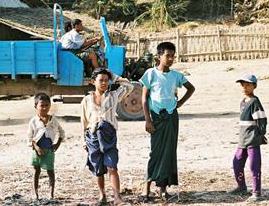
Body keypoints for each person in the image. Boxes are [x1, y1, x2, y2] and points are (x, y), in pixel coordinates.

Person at [139, 42, 195, 201]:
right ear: (159, 57)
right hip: (155, 117)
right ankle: (146, 187)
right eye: (167, 55)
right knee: (155, 153)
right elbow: (144, 99)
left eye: (172, 56)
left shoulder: (176, 75)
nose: (170, 59)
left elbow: (191, 88)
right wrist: (147, 119)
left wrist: (180, 103)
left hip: (171, 117)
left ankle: (162, 189)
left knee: (168, 153)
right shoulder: (150, 74)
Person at [80, 68, 134, 205]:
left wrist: (113, 76)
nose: (104, 83)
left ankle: (117, 197)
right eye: (101, 80)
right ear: (93, 82)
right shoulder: (86, 100)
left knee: (112, 166)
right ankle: (102, 196)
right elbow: (84, 121)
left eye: (106, 80)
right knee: (98, 169)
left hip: (109, 135)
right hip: (92, 136)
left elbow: (130, 86)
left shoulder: (114, 95)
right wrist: (83, 141)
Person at [228, 74, 267, 203]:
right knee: (237, 162)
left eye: (248, 84)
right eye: (243, 84)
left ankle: (257, 193)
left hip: (252, 139)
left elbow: (262, 120)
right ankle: (241, 187)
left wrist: (260, 135)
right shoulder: (243, 102)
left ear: (254, 86)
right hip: (243, 139)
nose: (245, 87)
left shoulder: (254, 102)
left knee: (254, 166)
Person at [27, 93, 65, 201]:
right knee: (36, 171)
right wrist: (36, 147)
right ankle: (35, 193)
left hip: (49, 150)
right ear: (36, 107)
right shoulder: (33, 121)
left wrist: (57, 144)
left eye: (47, 105)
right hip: (37, 151)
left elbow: (61, 133)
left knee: (50, 171)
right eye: (41, 106)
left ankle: (51, 194)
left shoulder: (53, 120)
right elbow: (29, 137)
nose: (44, 108)